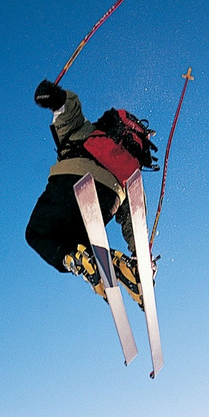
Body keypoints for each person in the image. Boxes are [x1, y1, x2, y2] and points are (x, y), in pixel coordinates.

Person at [25, 79, 155, 306]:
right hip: (108, 199)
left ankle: (76, 259)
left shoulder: (86, 130)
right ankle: (126, 270)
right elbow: (135, 216)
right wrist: (143, 257)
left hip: (70, 185)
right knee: (84, 243)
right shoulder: (130, 170)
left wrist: (54, 96)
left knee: (38, 233)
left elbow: (69, 109)